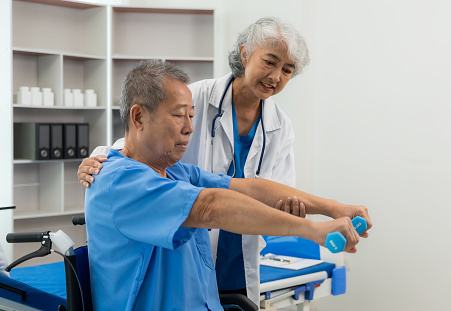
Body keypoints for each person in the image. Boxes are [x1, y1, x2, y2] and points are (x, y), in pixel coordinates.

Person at [86, 59, 371, 310]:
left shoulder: (175, 172)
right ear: (138, 117)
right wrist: (315, 231)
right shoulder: (121, 180)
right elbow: (211, 206)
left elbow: (249, 188)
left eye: (191, 115)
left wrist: (332, 208)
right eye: (178, 115)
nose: (189, 127)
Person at [79, 17, 315, 304]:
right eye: (270, 62)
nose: (276, 76)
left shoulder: (279, 125)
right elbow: (135, 147)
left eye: (287, 70)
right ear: (245, 54)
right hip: (183, 243)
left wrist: (326, 209)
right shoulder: (195, 98)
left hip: (235, 256)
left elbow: (258, 189)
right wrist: (97, 160)